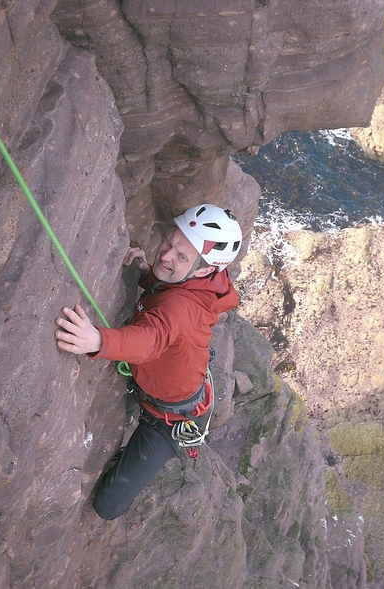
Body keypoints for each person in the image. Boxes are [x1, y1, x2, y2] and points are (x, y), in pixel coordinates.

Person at [54, 203, 243, 520]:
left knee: (108, 508)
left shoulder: (179, 311)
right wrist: (148, 273)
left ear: (204, 270)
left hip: (167, 420)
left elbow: (152, 338)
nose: (166, 255)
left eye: (181, 257)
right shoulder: (204, 282)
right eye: (170, 243)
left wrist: (99, 340)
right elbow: (169, 303)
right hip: (176, 375)